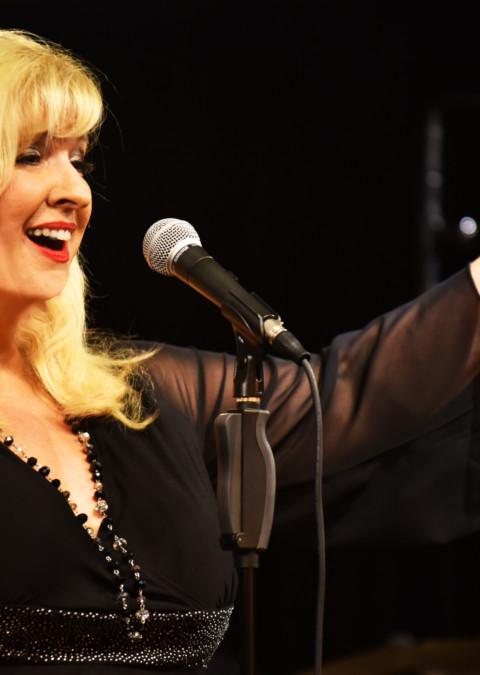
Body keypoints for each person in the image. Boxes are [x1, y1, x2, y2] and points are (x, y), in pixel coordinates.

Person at [1, 28, 480, 674]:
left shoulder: (135, 396)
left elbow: (337, 398)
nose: (76, 191)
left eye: (78, 161)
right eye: (31, 156)